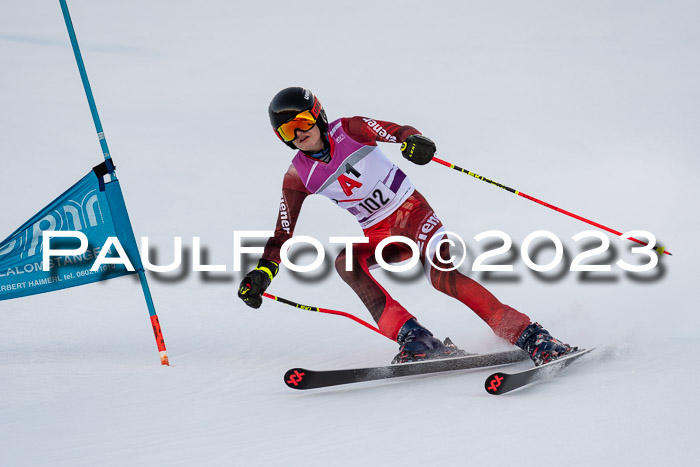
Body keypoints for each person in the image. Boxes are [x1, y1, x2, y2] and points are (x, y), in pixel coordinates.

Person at [238, 86, 575, 365]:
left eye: (301, 123)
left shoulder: (349, 130)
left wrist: (414, 141)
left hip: (414, 214)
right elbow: (283, 232)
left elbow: (395, 131)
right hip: (382, 236)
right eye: (286, 131)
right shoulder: (298, 175)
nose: (298, 135)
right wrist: (262, 273)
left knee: (443, 278)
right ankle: (415, 338)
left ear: (317, 115)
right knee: (346, 262)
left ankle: (533, 336)